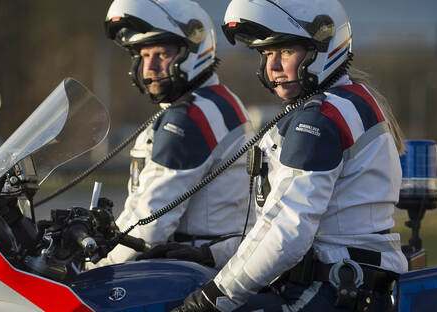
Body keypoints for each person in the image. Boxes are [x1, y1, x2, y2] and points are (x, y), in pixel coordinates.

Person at [172, 0, 409, 311]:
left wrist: (215, 297)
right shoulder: (347, 101)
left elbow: (288, 232)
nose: (272, 67)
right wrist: (213, 255)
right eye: (266, 54)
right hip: (351, 284)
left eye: (284, 51)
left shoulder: (319, 119)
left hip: (330, 289)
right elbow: (279, 224)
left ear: (319, 49)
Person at [97, 0, 253, 269]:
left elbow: (151, 222)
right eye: (144, 56)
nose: (150, 68)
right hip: (213, 259)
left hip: (193, 267)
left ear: (191, 51)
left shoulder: (191, 117)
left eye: (161, 54)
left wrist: (96, 269)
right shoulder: (214, 101)